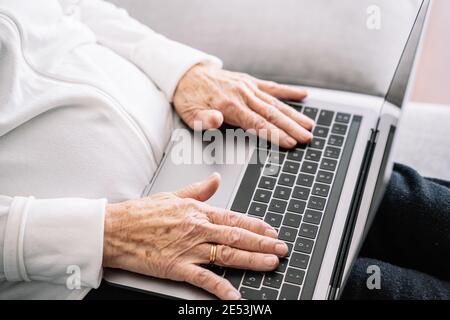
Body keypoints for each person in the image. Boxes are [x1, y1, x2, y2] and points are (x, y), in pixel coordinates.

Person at [1, 0, 449, 301]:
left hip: (197, 133)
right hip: (102, 263)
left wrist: (181, 70)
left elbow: (67, 8)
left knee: (413, 205)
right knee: (380, 289)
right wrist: (103, 233)